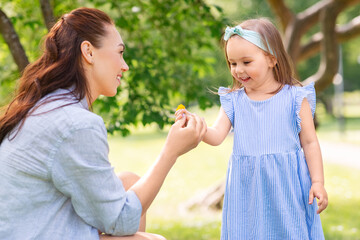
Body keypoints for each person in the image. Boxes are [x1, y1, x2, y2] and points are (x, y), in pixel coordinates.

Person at [0, 7, 206, 240]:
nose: (125, 66)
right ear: (88, 52)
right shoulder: (76, 124)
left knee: (129, 182)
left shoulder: (47, 105)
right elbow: (120, 220)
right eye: (119, 53)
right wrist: (172, 151)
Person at [176, 18, 328, 239]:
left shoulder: (295, 97)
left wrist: (318, 182)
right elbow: (217, 135)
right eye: (232, 63)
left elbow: (310, 142)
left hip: (287, 186)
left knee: (289, 231)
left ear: (271, 59)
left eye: (246, 62)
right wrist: (195, 124)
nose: (238, 70)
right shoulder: (234, 100)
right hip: (247, 187)